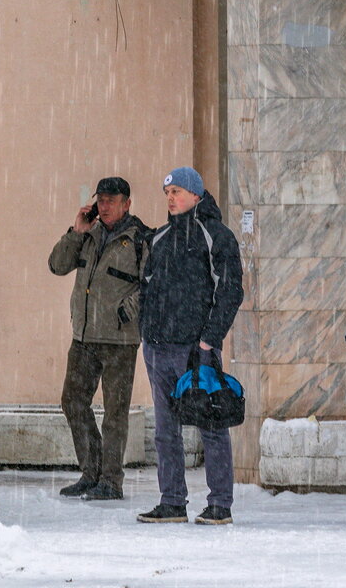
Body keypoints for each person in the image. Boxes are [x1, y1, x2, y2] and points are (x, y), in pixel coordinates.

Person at [136, 167, 242, 525]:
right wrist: (146, 334)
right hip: (158, 347)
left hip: (197, 351)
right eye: (167, 192)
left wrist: (208, 340)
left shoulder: (217, 236)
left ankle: (220, 504)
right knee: (166, 431)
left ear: (196, 194)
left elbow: (230, 292)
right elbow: (147, 288)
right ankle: (172, 501)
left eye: (178, 191)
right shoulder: (160, 238)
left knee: (211, 426)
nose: (171, 198)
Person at [48, 177, 151, 501]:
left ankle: (111, 480)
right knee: (73, 401)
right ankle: (90, 472)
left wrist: (126, 310)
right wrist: (76, 231)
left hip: (119, 340)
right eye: (101, 200)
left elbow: (151, 285)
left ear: (126, 204)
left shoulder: (140, 238)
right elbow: (57, 265)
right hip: (84, 336)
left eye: (110, 200)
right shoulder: (88, 235)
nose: (104, 206)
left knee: (115, 412)